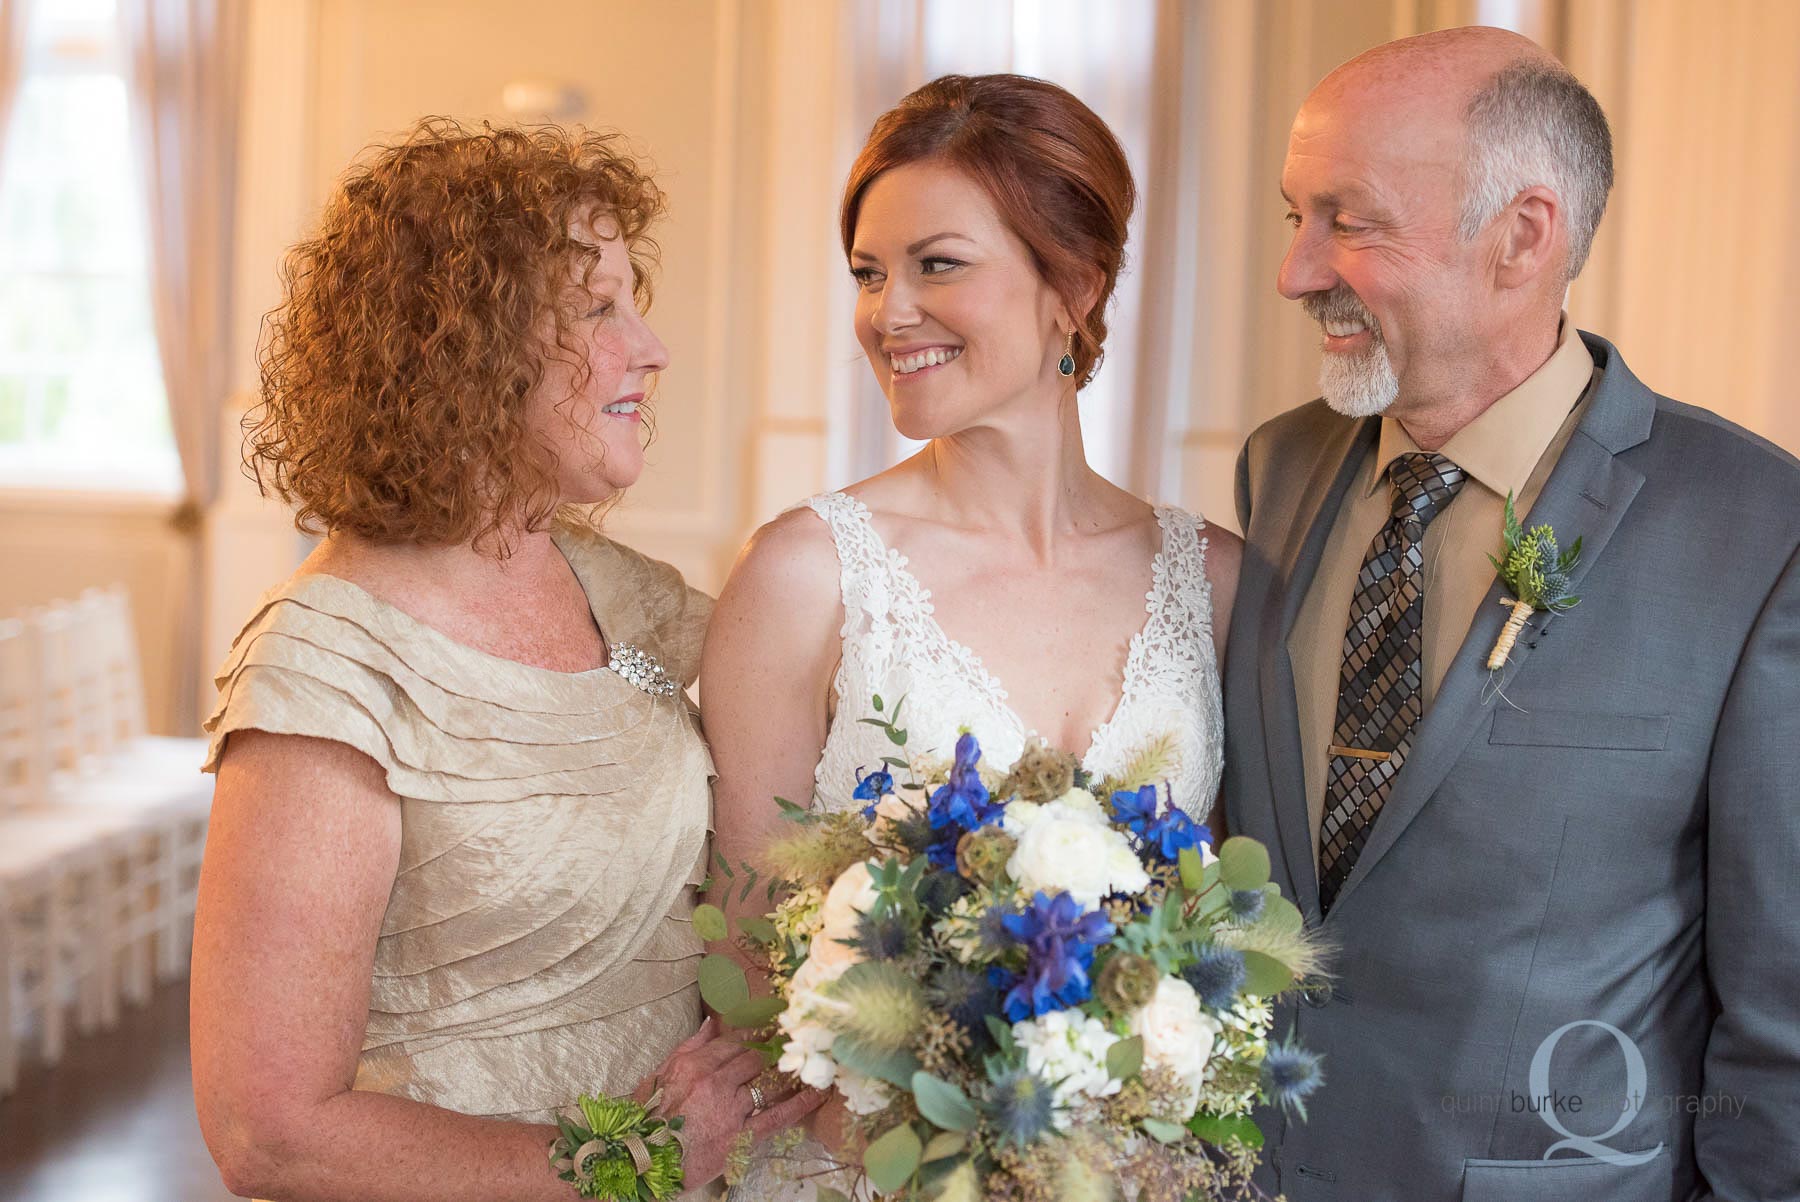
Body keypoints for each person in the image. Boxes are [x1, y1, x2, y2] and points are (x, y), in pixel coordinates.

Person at [190, 119, 820, 1202]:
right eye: (599, 308)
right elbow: (271, 1131)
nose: (652, 347)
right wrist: (636, 1167)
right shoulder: (329, 671)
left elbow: (809, 714)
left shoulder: (611, 586)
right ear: (468, 346)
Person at [1226, 26, 1800, 1201]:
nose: (1296, 270)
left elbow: (1786, 1008)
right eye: (1296, 216)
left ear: (1523, 236)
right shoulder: (1275, 469)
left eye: (1351, 220)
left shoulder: (1757, 530)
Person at [701, 74, 1239, 1196]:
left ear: (1073, 285)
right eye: (867, 271)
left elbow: (1223, 922)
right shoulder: (804, 575)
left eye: (937, 263)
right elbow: (746, 963)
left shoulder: (1217, 581)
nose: (888, 311)